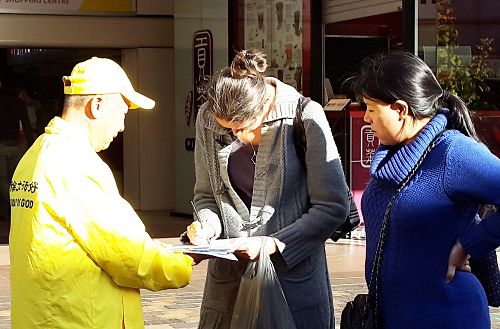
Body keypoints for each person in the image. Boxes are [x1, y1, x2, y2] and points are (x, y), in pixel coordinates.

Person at [9, 57, 195, 329]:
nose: (121, 127)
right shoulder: (76, 164)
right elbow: (127, 253)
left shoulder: (36, 154)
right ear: (97, 105)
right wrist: (185, 261)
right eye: (122, 113)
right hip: (77, 319)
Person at [187, 49, 350, 329]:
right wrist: (205, 227)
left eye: (243, 127)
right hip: (229, 284)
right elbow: (206, 195)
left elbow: (332, 206)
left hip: (292, 284)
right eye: (227, 129)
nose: (235, 136)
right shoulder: (207, 119)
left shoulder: (304, 115)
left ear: (264, 105)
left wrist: (271, 244)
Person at [352, 52, 500, 328]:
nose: (366, 118)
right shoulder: (392, 155)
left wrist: (470, 244)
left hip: (448, 315)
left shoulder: (453, 153)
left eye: (371, 108)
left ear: (400, 109)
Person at [0, 78, 34, 241]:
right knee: (14, 179)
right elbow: (26, 124)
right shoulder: (18, 102)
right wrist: (31, 145)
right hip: (15, 144)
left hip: (0, 145)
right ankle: (14, 209)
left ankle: (9, 210)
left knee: (2, 181)